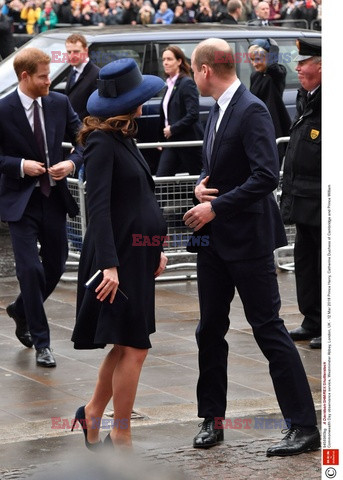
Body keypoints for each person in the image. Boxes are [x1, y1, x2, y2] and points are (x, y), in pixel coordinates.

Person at [183, 38, 320, 456]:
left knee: (269, 330)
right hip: (213, 245)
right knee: (210, 329)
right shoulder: (218, 110)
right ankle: (212, 418)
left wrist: (216, 208)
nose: (193, 76)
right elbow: (219, 166)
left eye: (193, 69)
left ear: (206, 70)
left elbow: (265, 177)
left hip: (247, 241)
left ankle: (303, 426)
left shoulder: (252, 109)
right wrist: (201, 187)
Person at [71, 58, 168, 449]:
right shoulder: (100, 143)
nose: (145, 102)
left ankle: (92, 414)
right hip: (117, 259)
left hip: (138, 255)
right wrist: (110, 266)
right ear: (128, 103)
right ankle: (120, 430)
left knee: (126, 342)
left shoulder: (124, 136)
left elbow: (141, 198)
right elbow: (98, 208)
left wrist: (156, 248)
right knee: (136, 346)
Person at [0, 48, 83, 367]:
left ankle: (21, 310)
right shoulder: (4, 109)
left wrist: (71, 163)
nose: (50, 81)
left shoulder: (59, 103)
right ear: (25, 77)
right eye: (44, 76)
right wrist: (21, 165)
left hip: (54, 198)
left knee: (56, 265)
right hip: (19, 202)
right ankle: (42, 341)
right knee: (29, 270)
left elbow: (83, 139)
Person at [280, 38, 321, 349]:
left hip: (324, 200)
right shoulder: (306, 97)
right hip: (306, 198)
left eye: (303, 63)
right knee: (306, 260)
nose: (297, 68)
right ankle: (313, 319)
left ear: (321, 66)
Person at [156, 45, 203, 177]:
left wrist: (173, 129)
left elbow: (193, 114)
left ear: (179, 61)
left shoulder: (186, 83)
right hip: (172, 142)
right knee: (162, 178)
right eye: (164, 59)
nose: (165, 62)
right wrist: (161, 139)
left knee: (198, 179)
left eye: (169, 59)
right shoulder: (169, 84)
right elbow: (166, 116)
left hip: (188, 142)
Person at [248, 38, 291, 167]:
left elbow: (273, 67)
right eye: (252, 60)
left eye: (258, 59)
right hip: (258, 125)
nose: (254, 64)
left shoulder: (277, 73)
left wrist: (272, 47)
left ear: (268, 57)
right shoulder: (255, 76)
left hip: (273, 126)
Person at [65, 33, 100, 121]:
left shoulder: (96, 74)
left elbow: (95, 109)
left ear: (86, 50)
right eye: (69, 52)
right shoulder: (73, 70)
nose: (72, 56)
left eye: (76, 52)